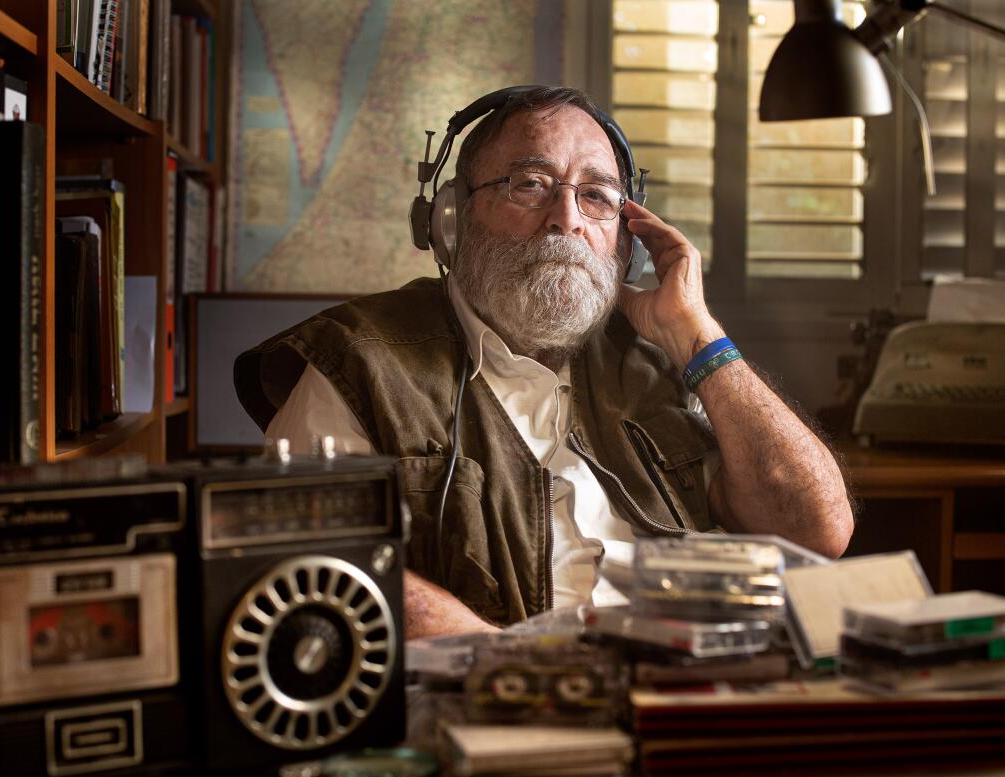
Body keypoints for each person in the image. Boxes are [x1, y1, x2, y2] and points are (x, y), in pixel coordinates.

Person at [235, 86, 854, 639]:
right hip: (494, 713)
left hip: (688, 699)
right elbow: (313, 558)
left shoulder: (665, 363)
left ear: (627, 238)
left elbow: (814, 533)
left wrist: (700, 340)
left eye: (597, 196)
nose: (566, 219)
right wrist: (524, 673)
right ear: (451, 218)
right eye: (529, 184)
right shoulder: (358, 361)